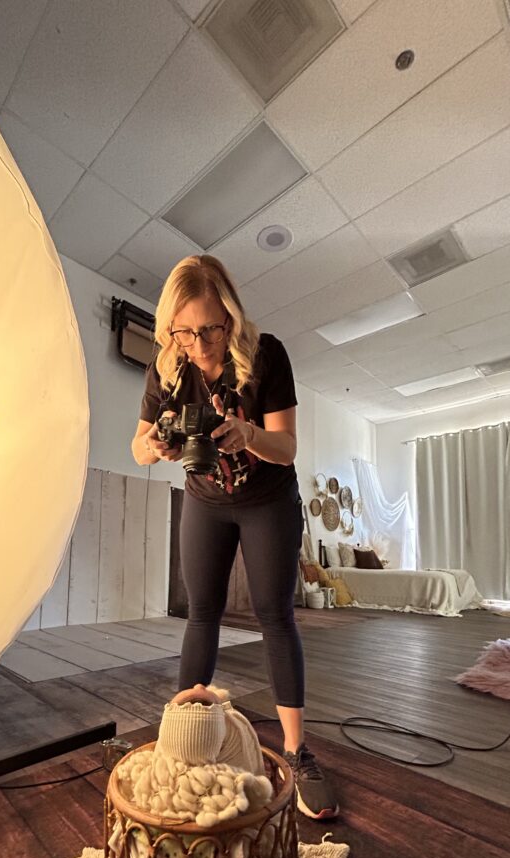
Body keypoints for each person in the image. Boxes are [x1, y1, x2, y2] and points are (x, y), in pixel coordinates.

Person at [131, 254, 337, 820]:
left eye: (210, 329)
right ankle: (183, 742)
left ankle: (298, 753)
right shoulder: (167, 367)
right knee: (202, 614)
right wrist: (159, 446)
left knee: (275, 615)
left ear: (231, 316)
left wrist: (246, 432)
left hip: (268, 499)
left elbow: (287, 447)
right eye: (184, 331)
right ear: (170, 327)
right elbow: (138, 446)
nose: (198, 344)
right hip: (205, 501)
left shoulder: (265, 353)